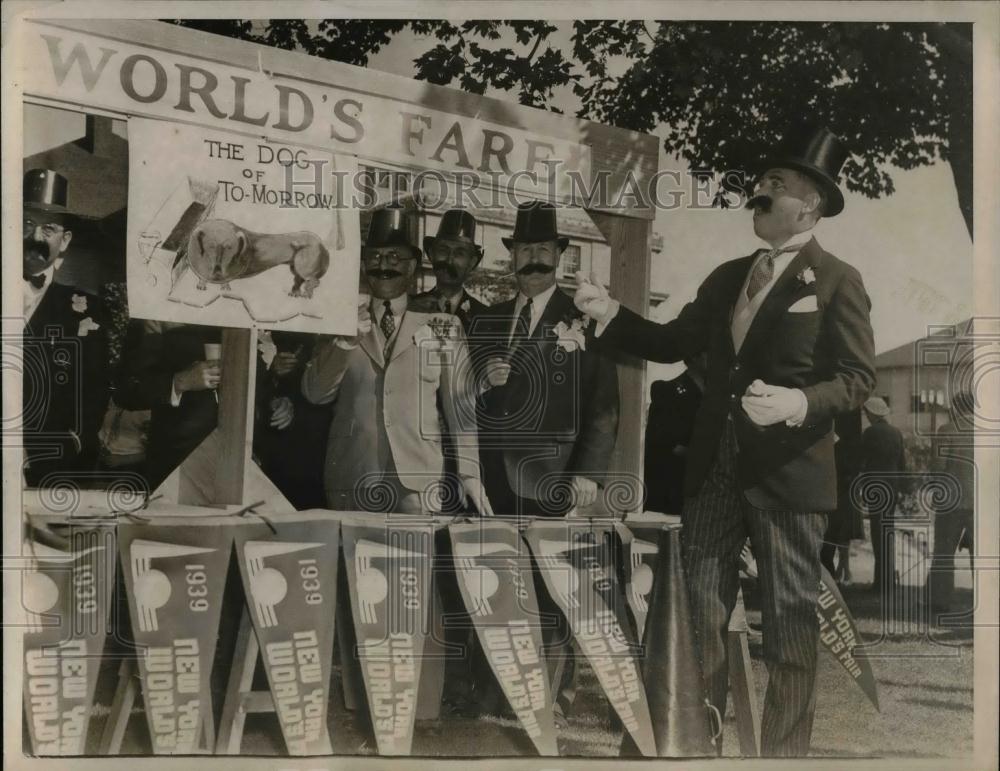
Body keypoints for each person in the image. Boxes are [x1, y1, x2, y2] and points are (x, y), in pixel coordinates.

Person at [574, 125, 876, 756]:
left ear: (811, 204)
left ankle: (783, 759)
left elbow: (856, 380)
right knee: (697, 619)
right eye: (762, 181)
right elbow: (672, 343)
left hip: (791, 475)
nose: (760, 191)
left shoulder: (837, 280)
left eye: (778, 183)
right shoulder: (729, 275)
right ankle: (693, 747)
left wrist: (799, 403)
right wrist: (609, 315)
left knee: (790, 633)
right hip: (713, 471)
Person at [301, 207, 491, 515]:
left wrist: (470, 473)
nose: (383, 266)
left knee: (414, 560)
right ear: (364, 264)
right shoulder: (339, 319)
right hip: (352, 477)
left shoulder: (442, 324)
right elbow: (315, 393)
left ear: (412, 265)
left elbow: (461, 406)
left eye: (394, 258)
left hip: (418, 482)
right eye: (375, 257)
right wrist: (344, 342)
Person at [474, 200, 620, 518]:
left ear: (557, 255)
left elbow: (604, 405)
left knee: (545, 567)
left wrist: (588, 472)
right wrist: (480, 382)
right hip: (486, 479)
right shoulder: (486, 319)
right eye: (525, 250)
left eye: (543, 250)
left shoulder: (585, 318)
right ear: (513, 256)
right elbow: (457, 395)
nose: (534, 260)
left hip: (553, 477)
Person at [22, 169, 110, 487]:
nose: (35, 238)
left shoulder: (86, 310)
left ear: (65, 241)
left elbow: (93, 396)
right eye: (26, 225)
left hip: (51, 471)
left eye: (49, 229)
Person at [113, 320, 222, 491]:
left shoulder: (250, 308)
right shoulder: (156, 314)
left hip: (242, 460)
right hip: (179, 466)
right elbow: (126, 391)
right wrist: (180, 381)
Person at [928, 390, 975, 617]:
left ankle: (940, 602)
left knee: (944, 553)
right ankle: (984, 601)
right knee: (982, 555)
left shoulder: (947, 430)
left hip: (951, 502)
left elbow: (937, 467)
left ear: (956, 407)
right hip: (981, 504)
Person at [643, 353, 707, 514]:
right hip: (671, 490)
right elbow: (665, 444)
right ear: (693, 357)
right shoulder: (666, 390)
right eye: (708, 352)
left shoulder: (717, 395)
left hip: (703, 492)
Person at [409, 209, 489, 331]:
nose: (449, 260)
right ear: (432, 254)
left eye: (460, 253)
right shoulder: (410, 307)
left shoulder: (486, 317)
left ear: (471, 262)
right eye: (443, 250)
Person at [860, 396, 906, 594]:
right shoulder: (896, 433)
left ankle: (881, 583)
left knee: (878, 533)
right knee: (888, 531)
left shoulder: (869, 433)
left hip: (875, 487)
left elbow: (861, 461)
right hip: (892, 487)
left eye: (867, 413)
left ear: (872, 413)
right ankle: (888, 580)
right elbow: (902, 463)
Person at [821, 412, 865, 585]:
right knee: (838, 535)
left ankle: (836, 572)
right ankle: (839, 571)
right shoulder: (848, 447)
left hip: (837, 493)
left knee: (832, 535)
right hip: (843, 492)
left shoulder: (837, 448)